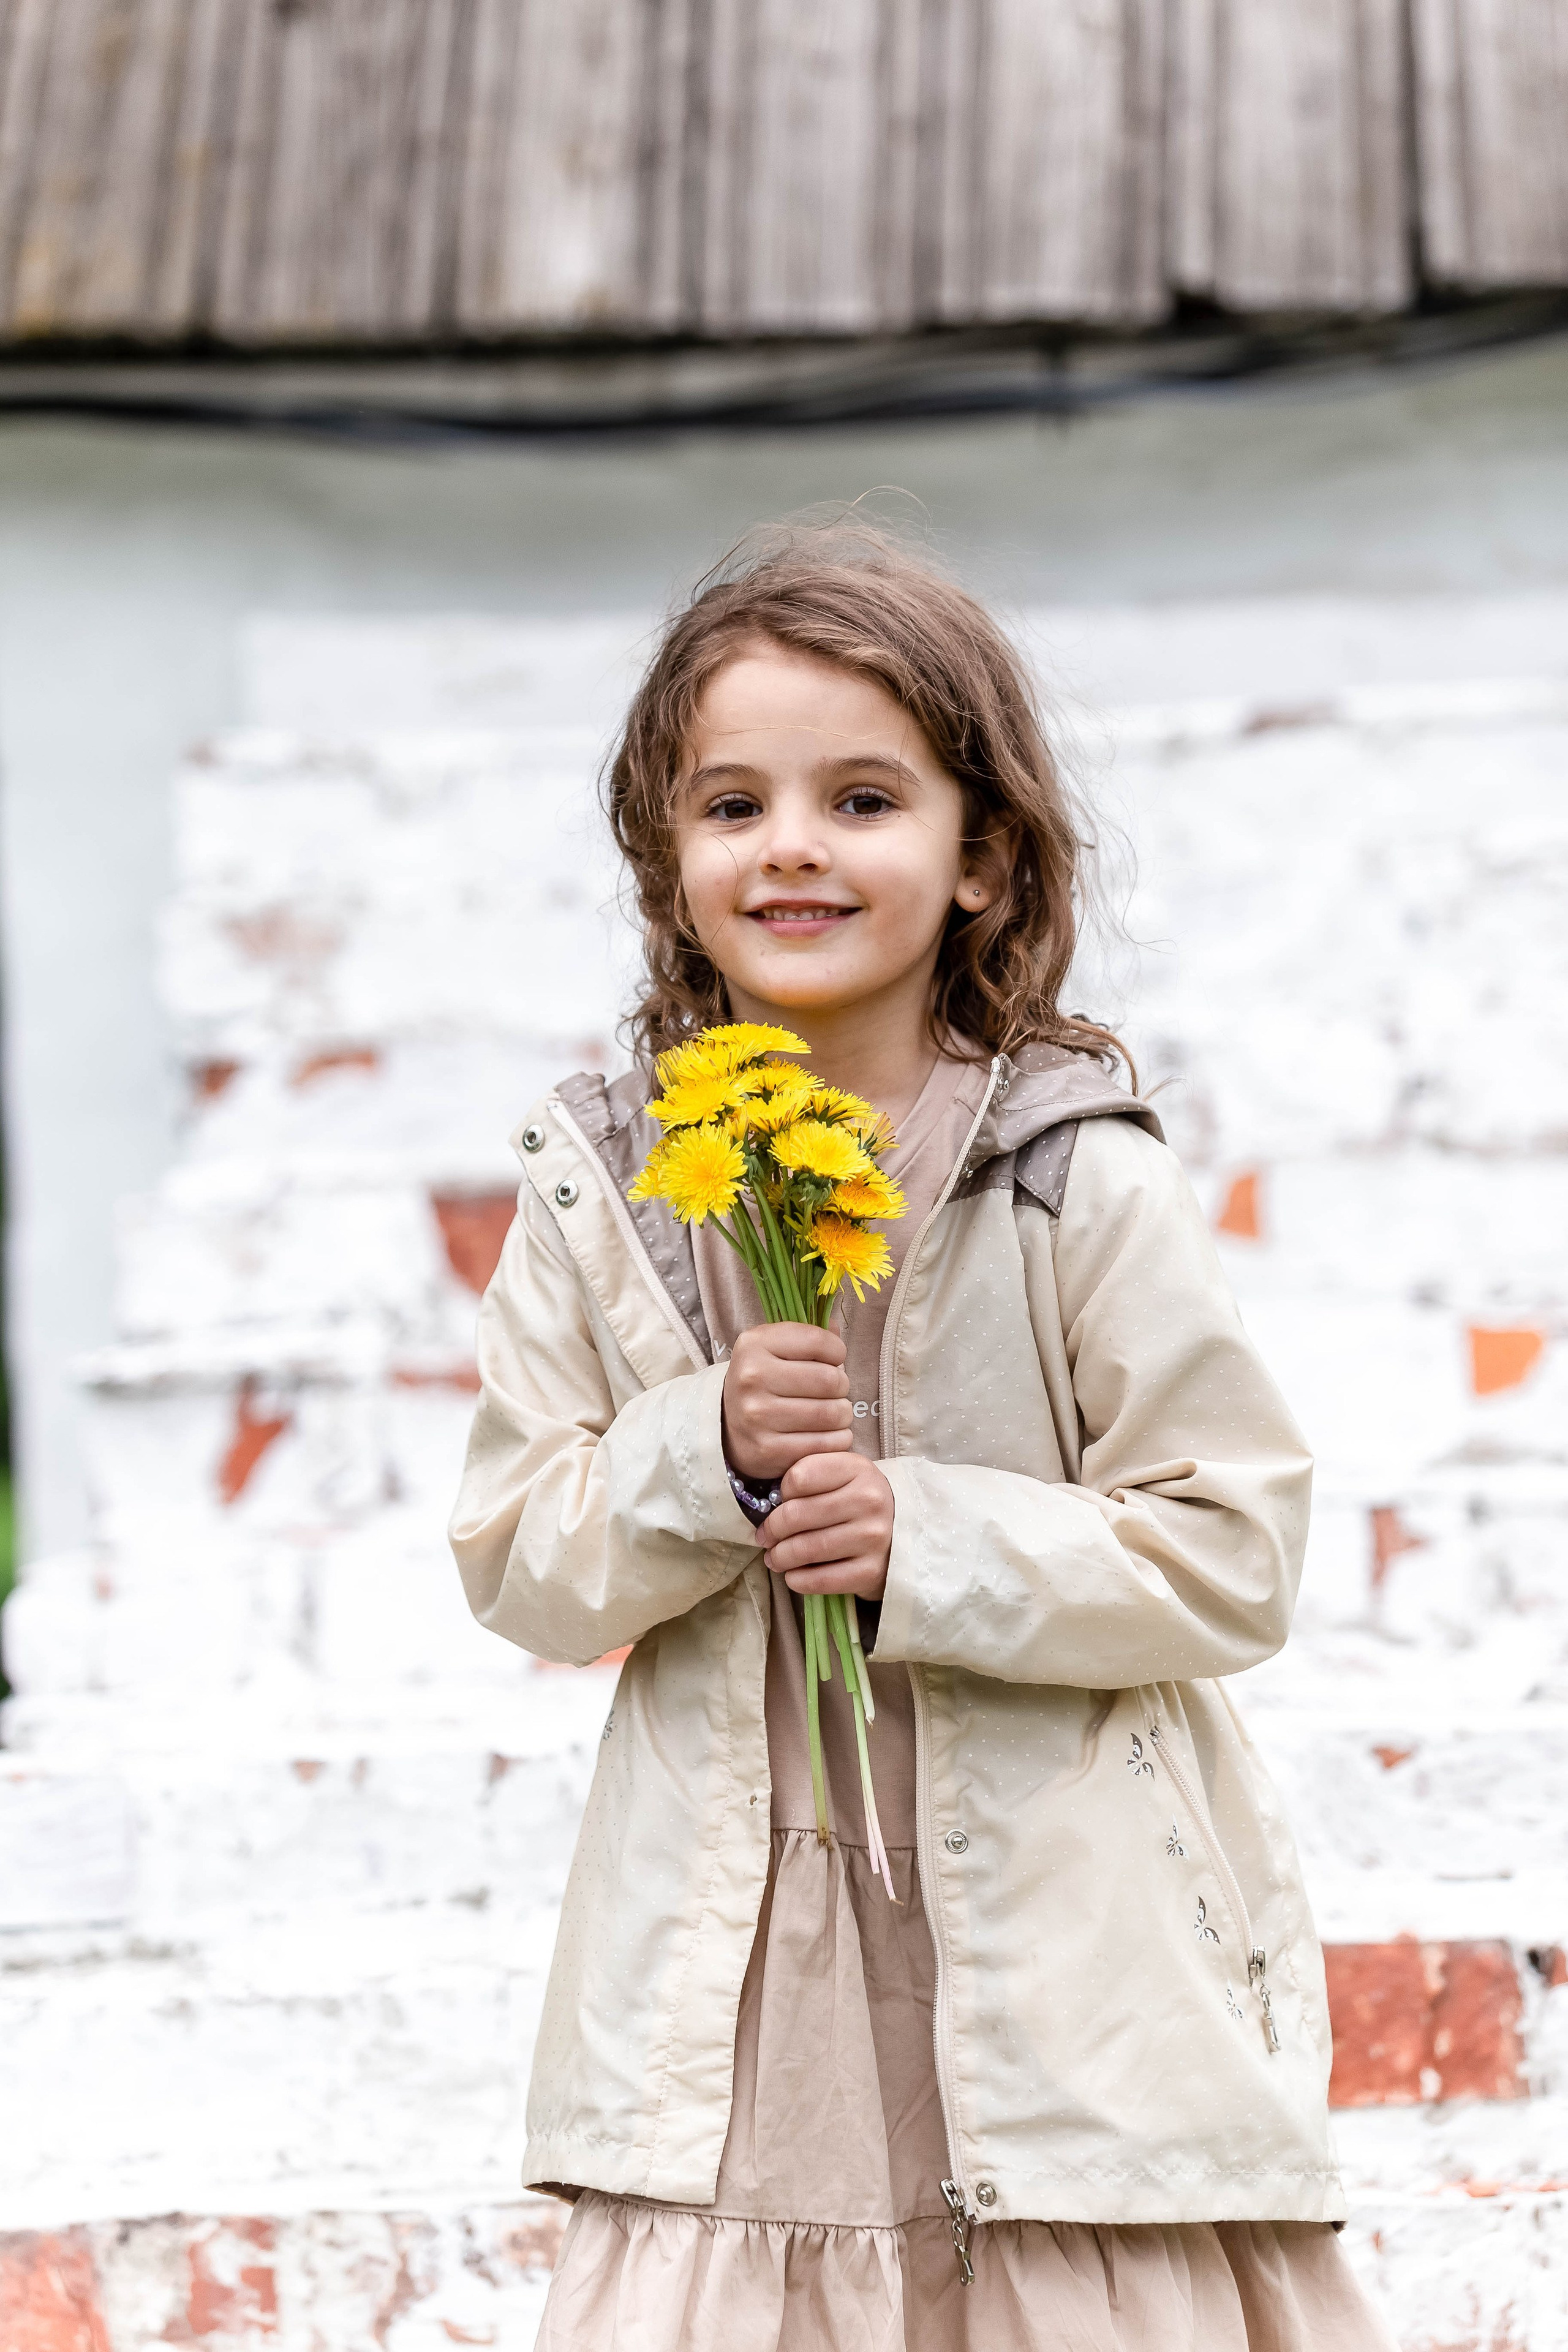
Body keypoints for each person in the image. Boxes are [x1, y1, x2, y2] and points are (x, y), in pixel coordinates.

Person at [448, 526, 1396, 2349]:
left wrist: (925, 1542)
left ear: (979, 855)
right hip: (737, 1964)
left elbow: (1231, 1551)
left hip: (1067, 1949)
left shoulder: (1074, 1177)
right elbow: (519, 1560)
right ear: (670, 862)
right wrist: (699, 1457)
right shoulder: (609, 1191)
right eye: (733, 803)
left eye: (863, 796)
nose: (791, 843)